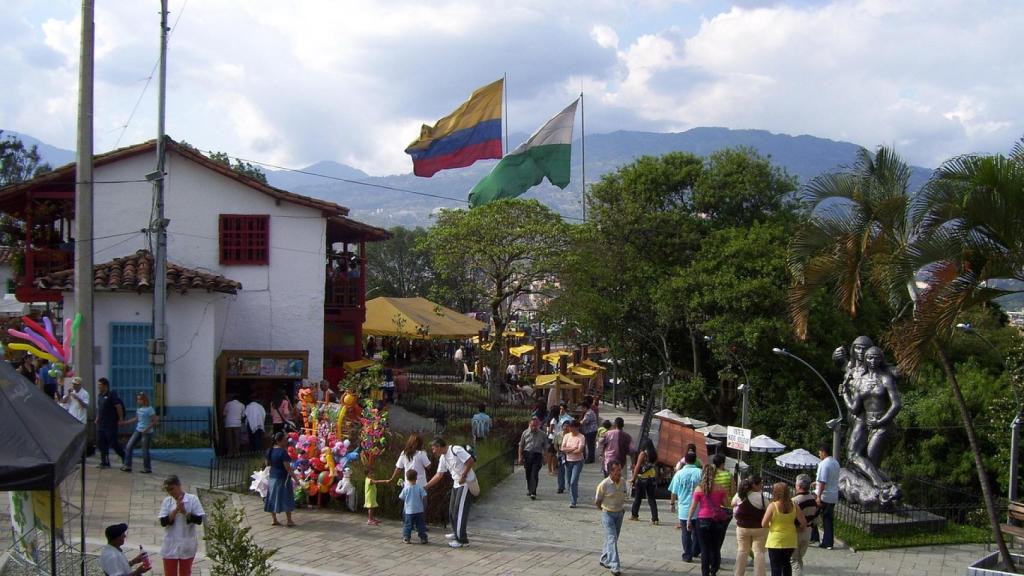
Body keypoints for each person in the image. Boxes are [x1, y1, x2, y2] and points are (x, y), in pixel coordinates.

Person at [425, 437, 476, 548]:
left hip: (465, 483)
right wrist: (426, 486)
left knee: (459, 512)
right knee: (452, 510)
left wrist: (464, 475)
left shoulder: (456, 450)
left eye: (434, 449)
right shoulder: (443, 458)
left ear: (439, 446)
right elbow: (439, 475)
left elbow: (470, 461)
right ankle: (456, 532)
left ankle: (462, 540)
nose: (433, 451)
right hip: (456, 484)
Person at [688, 464, 729, 576]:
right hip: (716, 520)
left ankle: (705, 573)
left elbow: (693, 507)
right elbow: (726, 504)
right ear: (715, 474)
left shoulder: (699, 488)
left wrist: (689, 520)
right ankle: (714, 571)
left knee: (704, 548)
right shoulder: (720, 488)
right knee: (715, 548)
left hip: (702, 520)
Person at [159, 475, 205, 576]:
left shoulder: (193, 499)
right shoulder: (167, 501)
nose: (170, 492)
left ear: (179, 486)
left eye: (172, 489)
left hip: (187, 544)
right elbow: (163, 522)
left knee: (185, 573)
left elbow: (198, 520)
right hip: (170, 544)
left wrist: (184, 512)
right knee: (170, 573)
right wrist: (176, 510)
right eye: (168, 490)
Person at [762, 482, 807, 576]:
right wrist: (798, 528)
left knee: (776, 566)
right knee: (786, 563)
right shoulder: (794, 505)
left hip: (775, 539)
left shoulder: (773, 506)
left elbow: (763, 524)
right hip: (790, 539)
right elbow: (803, 523)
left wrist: (771, 526)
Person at [668, 451, 703, 562]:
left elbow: (673, 491)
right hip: (698, 508)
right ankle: (695, 551)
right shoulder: (700, 472)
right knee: (697, 533)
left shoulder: (679, 474)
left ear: (685, 461)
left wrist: (672, 504)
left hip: (684, 508)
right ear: (695, 460)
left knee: (685, 533)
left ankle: (687, 555)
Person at [595, 460, 627, 576]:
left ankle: (604, 558)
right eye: (617, 470)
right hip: (607, 513)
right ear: (611, 472)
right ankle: (615, 566)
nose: (620, 472)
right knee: (612, 538)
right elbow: (597, 501)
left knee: (612, 539)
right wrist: (604, 510)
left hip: (619, 514)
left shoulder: (623, 482)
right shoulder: (604, 484)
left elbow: (624, 494)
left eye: (620, 469)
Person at [733, 475, 769, 576]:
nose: (762, 485)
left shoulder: (740, 495)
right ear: (754, 485)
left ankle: (738, 573)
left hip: (742, 527)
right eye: (760, 483)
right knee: (759, 552)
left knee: (742, 550)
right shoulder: (762, 497)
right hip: (759, 528)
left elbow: (732, 503)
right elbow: (768, 509)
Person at [264, 431, 296, 526]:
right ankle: (289, 520)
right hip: (283, 478)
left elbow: (267, 464)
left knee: (272, 498)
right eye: (285, 439)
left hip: (272, 477)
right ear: (279, 441)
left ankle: (274, 519)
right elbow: (288, 468)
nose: (286, 441)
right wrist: (296, 479)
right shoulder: (282, 452)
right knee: (286, 498)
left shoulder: (269, 451)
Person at [121, 392, 158, 473]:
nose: (138, 401)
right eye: (137, 399)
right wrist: (126, 422)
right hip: (138, 430)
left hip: (147, 432)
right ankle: (127, 466)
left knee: (145, 450)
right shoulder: (139, 409)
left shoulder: (150, 409)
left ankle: (147, 468)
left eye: (139, 399)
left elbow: (155, 421)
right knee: (129, 446)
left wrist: (147, 429)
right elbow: (136, 419)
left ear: (144, 400)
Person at [791, 474, 820, 576]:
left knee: (794, 560)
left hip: (796, 532)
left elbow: (791, 518)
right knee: (799, 559)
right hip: (808, 532)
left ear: (798, 486)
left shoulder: (795, 501)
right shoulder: (813, 499)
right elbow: (816, 519)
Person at [96, 377, 125, 468]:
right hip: (102, 423)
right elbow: (100, 408)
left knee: (113, 442)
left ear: (105, 386)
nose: (98, 387)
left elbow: (118, 406)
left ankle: (124, 456)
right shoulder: (100, 395)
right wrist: (97, 418)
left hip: (111, 423)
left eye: (100, 385)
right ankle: (104, 461)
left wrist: (120, 419)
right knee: (102, 443)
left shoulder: (112, 394)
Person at [815, 443, 840, 549]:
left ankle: (815, 537)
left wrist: (818, 496)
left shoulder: (824, 464)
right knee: (828, 519)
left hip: (824, 495)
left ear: (824, 452)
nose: (819, 454)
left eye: (820, 452)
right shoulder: (835, 463)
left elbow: (823, 482)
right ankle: (828, 542)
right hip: (833, 495)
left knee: (813, 515)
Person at [629, 437, 659, 524]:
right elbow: (655, 465)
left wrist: (633, 478)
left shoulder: (642, 454)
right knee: (651, 499)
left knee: (638, 498)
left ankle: (634, 515)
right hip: (652, 477)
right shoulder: (655, 454)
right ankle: (655, 518)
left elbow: (638, 466)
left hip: (642, 478)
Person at [518, 416, 547, 500]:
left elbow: (545, 447)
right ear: (529, 424)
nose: (534, 427)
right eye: (532, 425)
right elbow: (521, 445)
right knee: (528, 473)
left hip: (537, 455)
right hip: (527, 454)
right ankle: (529, 488)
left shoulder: (542, 434)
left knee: (534, 473)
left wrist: (545, 457)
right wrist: (520, 457)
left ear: (538, 425)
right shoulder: (525, 433)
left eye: (536, 425)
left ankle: (533, 492)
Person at [560, 419, 586, 507]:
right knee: (568, 482)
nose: (571, 429)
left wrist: (570, 450)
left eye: (573, 427)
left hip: (578, 462)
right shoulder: (567, 436)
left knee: (573, 481)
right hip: (568, 461)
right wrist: (572, 449)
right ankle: (574, 493)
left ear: (577, 427)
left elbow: (579, 450)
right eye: (570, 427)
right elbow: (562, 448)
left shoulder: (581, 437)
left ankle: (573, 501)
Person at [399, 469, 429, 544]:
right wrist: (422, 502)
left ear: (407, 478)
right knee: (420, 525)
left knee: (408, 525)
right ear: (416, 478)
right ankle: (423, 538)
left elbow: (401, 497)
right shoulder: (419, 487)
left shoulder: (406, 488)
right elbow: (424, 496)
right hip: (419, 510)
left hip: (409, 511)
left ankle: (406, 537)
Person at [580, 397, 599, 464]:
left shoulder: (588, 413)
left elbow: (584, 422)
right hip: (592, 430)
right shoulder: (590, 412)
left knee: (590, 445)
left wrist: (579, 422)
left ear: (585, 407)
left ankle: (590, 459)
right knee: (591, 445)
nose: (582, 409)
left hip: (590, 431)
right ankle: (591, 458)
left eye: (582, 408)